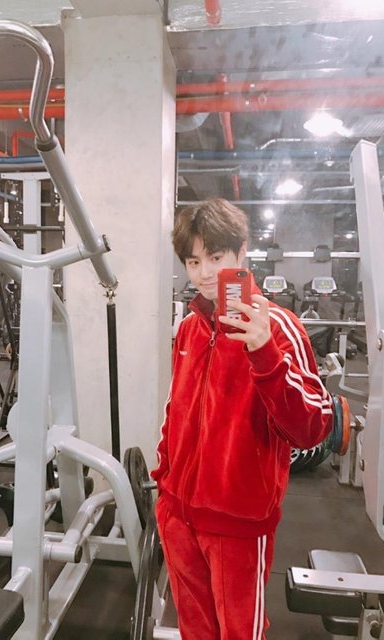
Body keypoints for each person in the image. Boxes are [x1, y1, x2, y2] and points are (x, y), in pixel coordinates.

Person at [151, 197, 333, 640]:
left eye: (215, 258)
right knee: (194, 631)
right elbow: (176, 410)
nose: (204, 273)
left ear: (241, 252)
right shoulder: (190, 328)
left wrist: (264, 354)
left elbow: (313, 427)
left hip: (237, 523)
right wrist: (165, 482)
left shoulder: (279, 327)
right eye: (193, 261)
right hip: (178, 514)